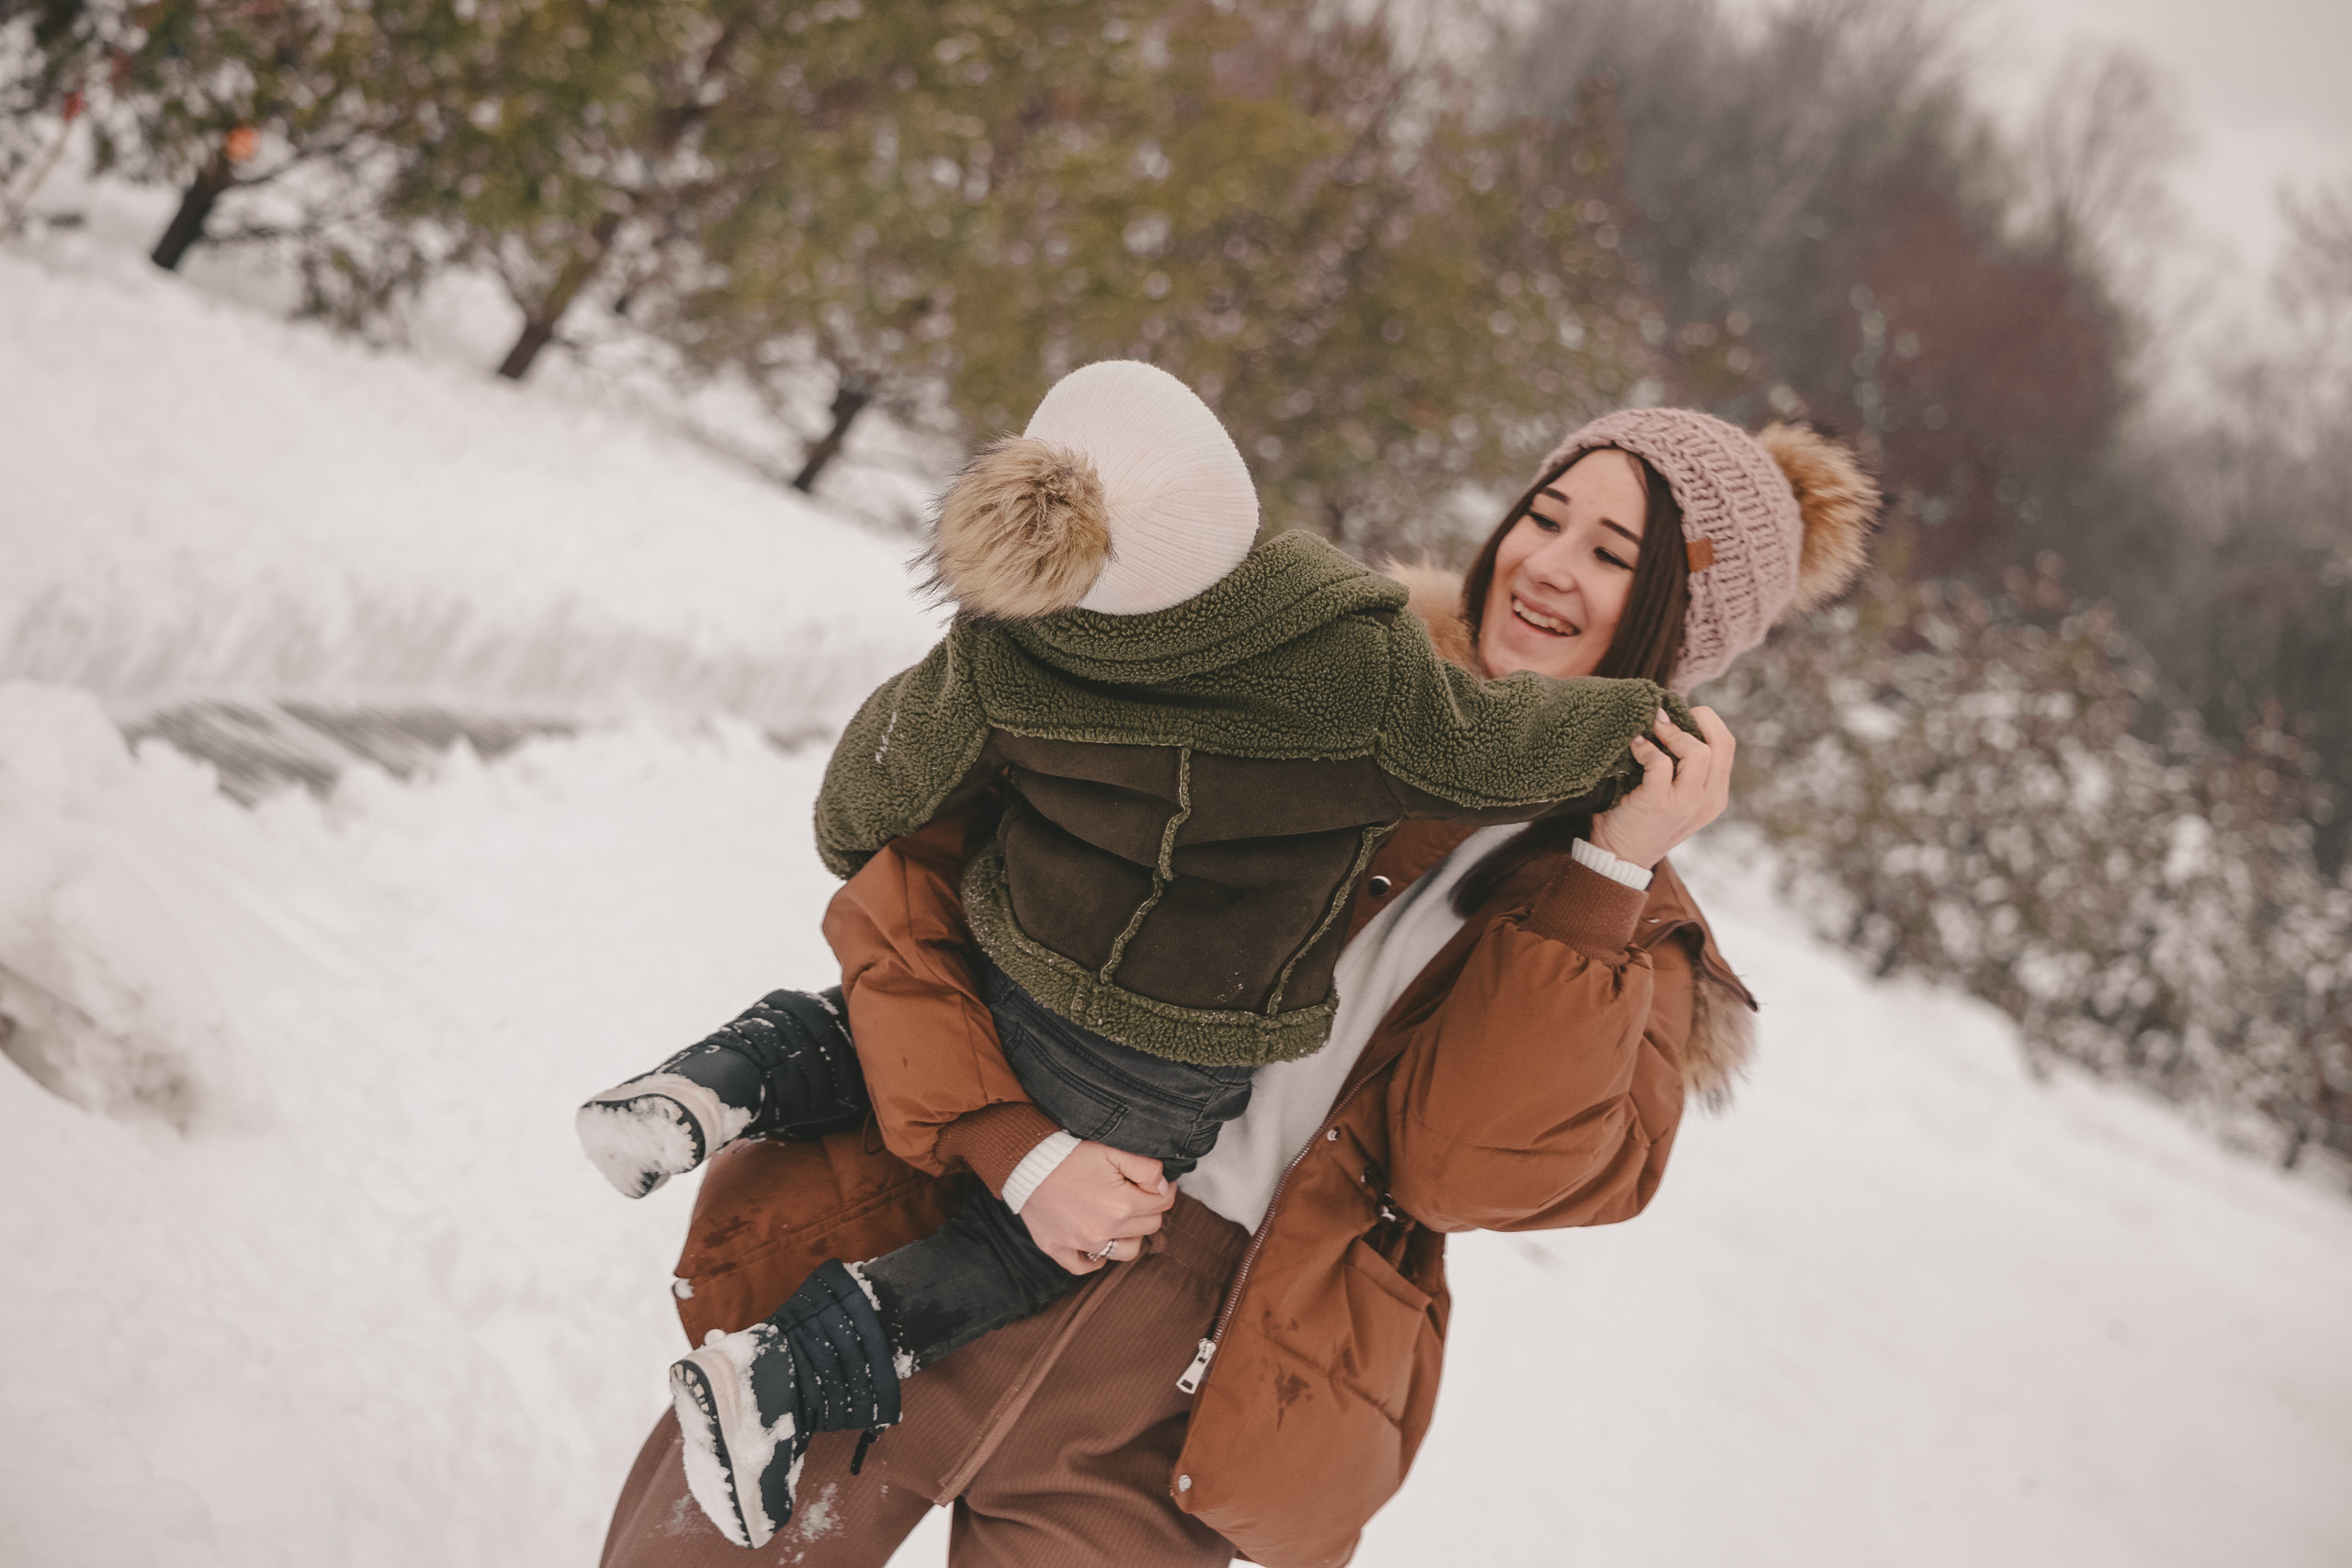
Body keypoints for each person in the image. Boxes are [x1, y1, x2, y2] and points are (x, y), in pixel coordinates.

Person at [596, 401, 1876, 1568]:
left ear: (1683, 628)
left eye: (1612, 554)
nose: (1548, 565)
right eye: (1544, 516)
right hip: (917, 1244)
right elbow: (911, 888)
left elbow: (1461, 1169)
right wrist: (1006, 1138)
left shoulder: (1635, 934)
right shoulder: (1294, 676)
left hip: (1170, 1413)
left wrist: (1604, 875)